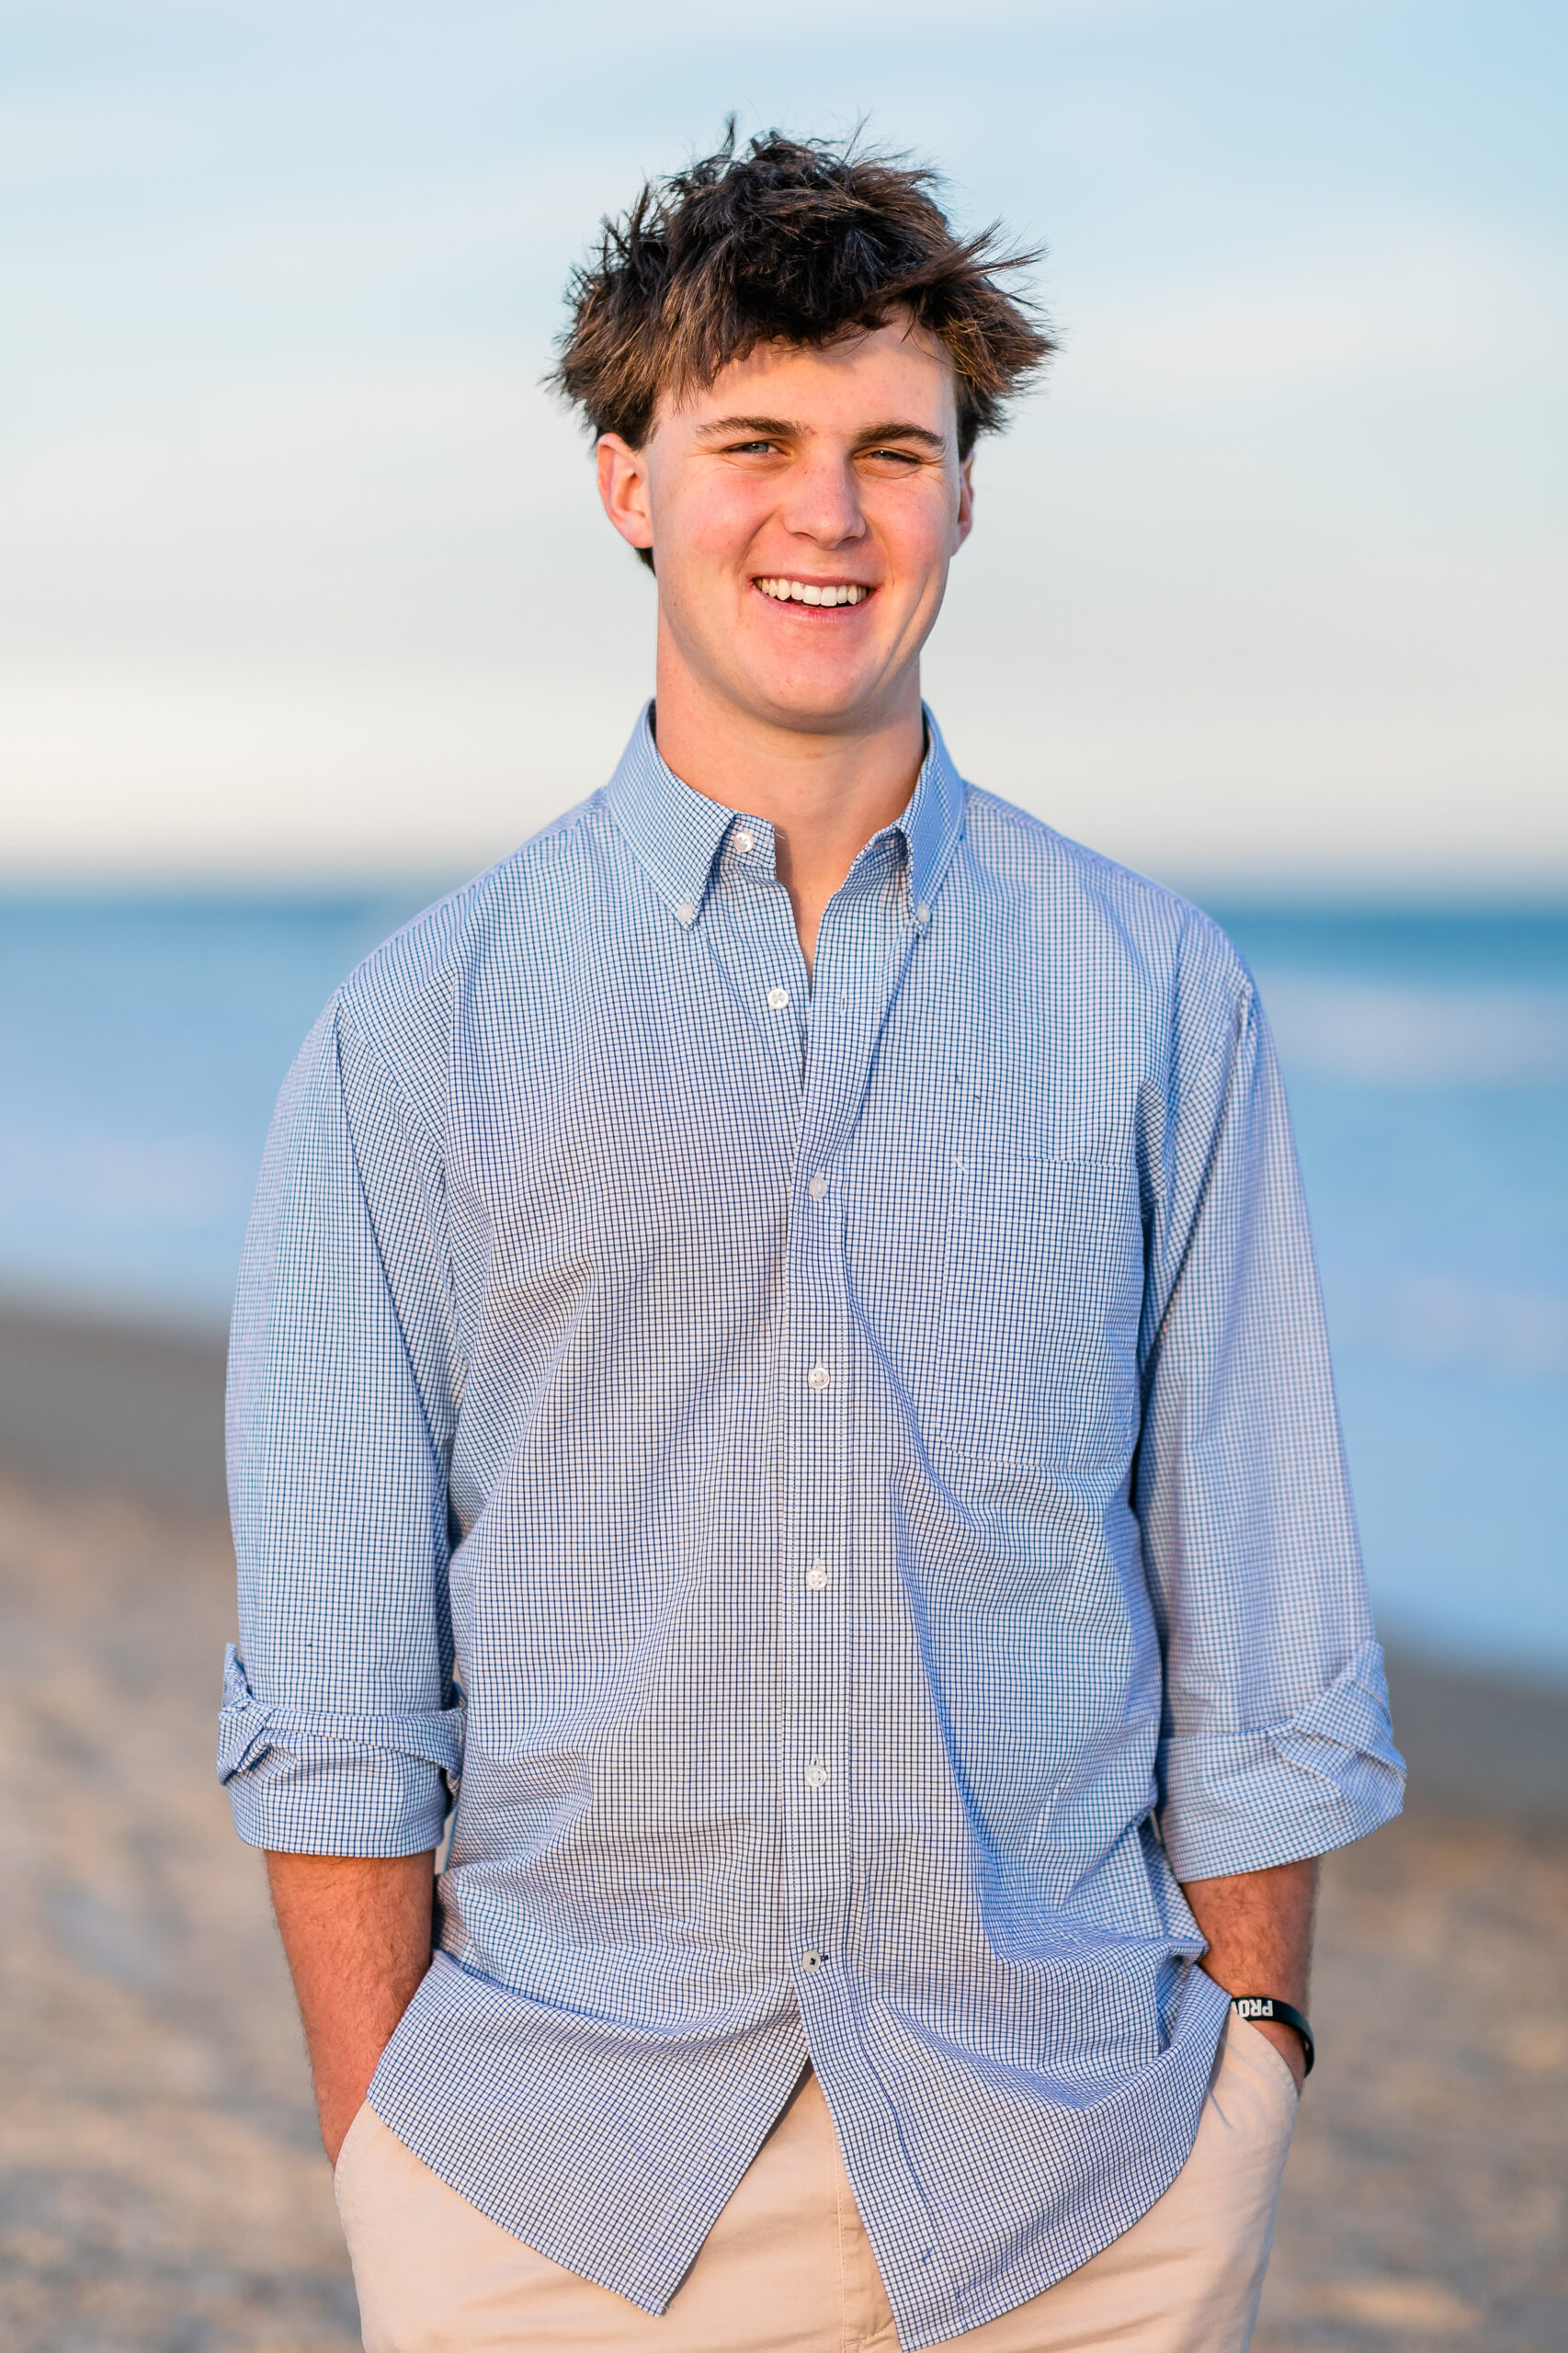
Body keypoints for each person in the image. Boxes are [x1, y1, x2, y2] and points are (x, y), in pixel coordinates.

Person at [219, 130, 1404, 2353]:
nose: (827, 513)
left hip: (1081, 2179)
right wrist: (385, 2153)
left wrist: (1253, 2061)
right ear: (626, 480)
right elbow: (338, 1691)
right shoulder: (416, 1031)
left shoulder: (1154, 995)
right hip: (554, 2195)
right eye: (752, 440)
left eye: (895, 448)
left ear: (966, 491)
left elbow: (1258, 1592)